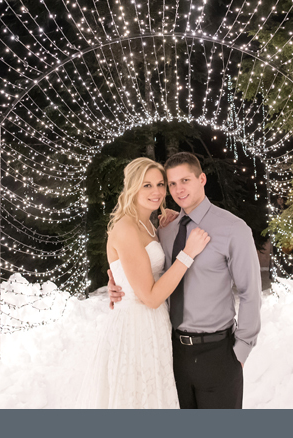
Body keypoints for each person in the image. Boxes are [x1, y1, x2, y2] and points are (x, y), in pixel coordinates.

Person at [109, 152, 262, 409]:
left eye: (186, 180)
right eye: (171, 184)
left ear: (201, 179)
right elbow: (144, 268)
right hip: (171, 353)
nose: (178, 189)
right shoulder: (165, 229)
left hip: (218, 353)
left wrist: (241, 351)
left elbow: (250, 292)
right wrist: (117, 283)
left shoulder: (233, 228)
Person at [76, 157, 210, 408]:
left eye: (160, 184)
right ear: (131, 187)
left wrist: (169, 221)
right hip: (135, 329)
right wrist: (188, 254)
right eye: (146, 185)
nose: (156, 191)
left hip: (154, 324)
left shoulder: (148, 224)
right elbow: (149, 297)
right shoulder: (126, 227)